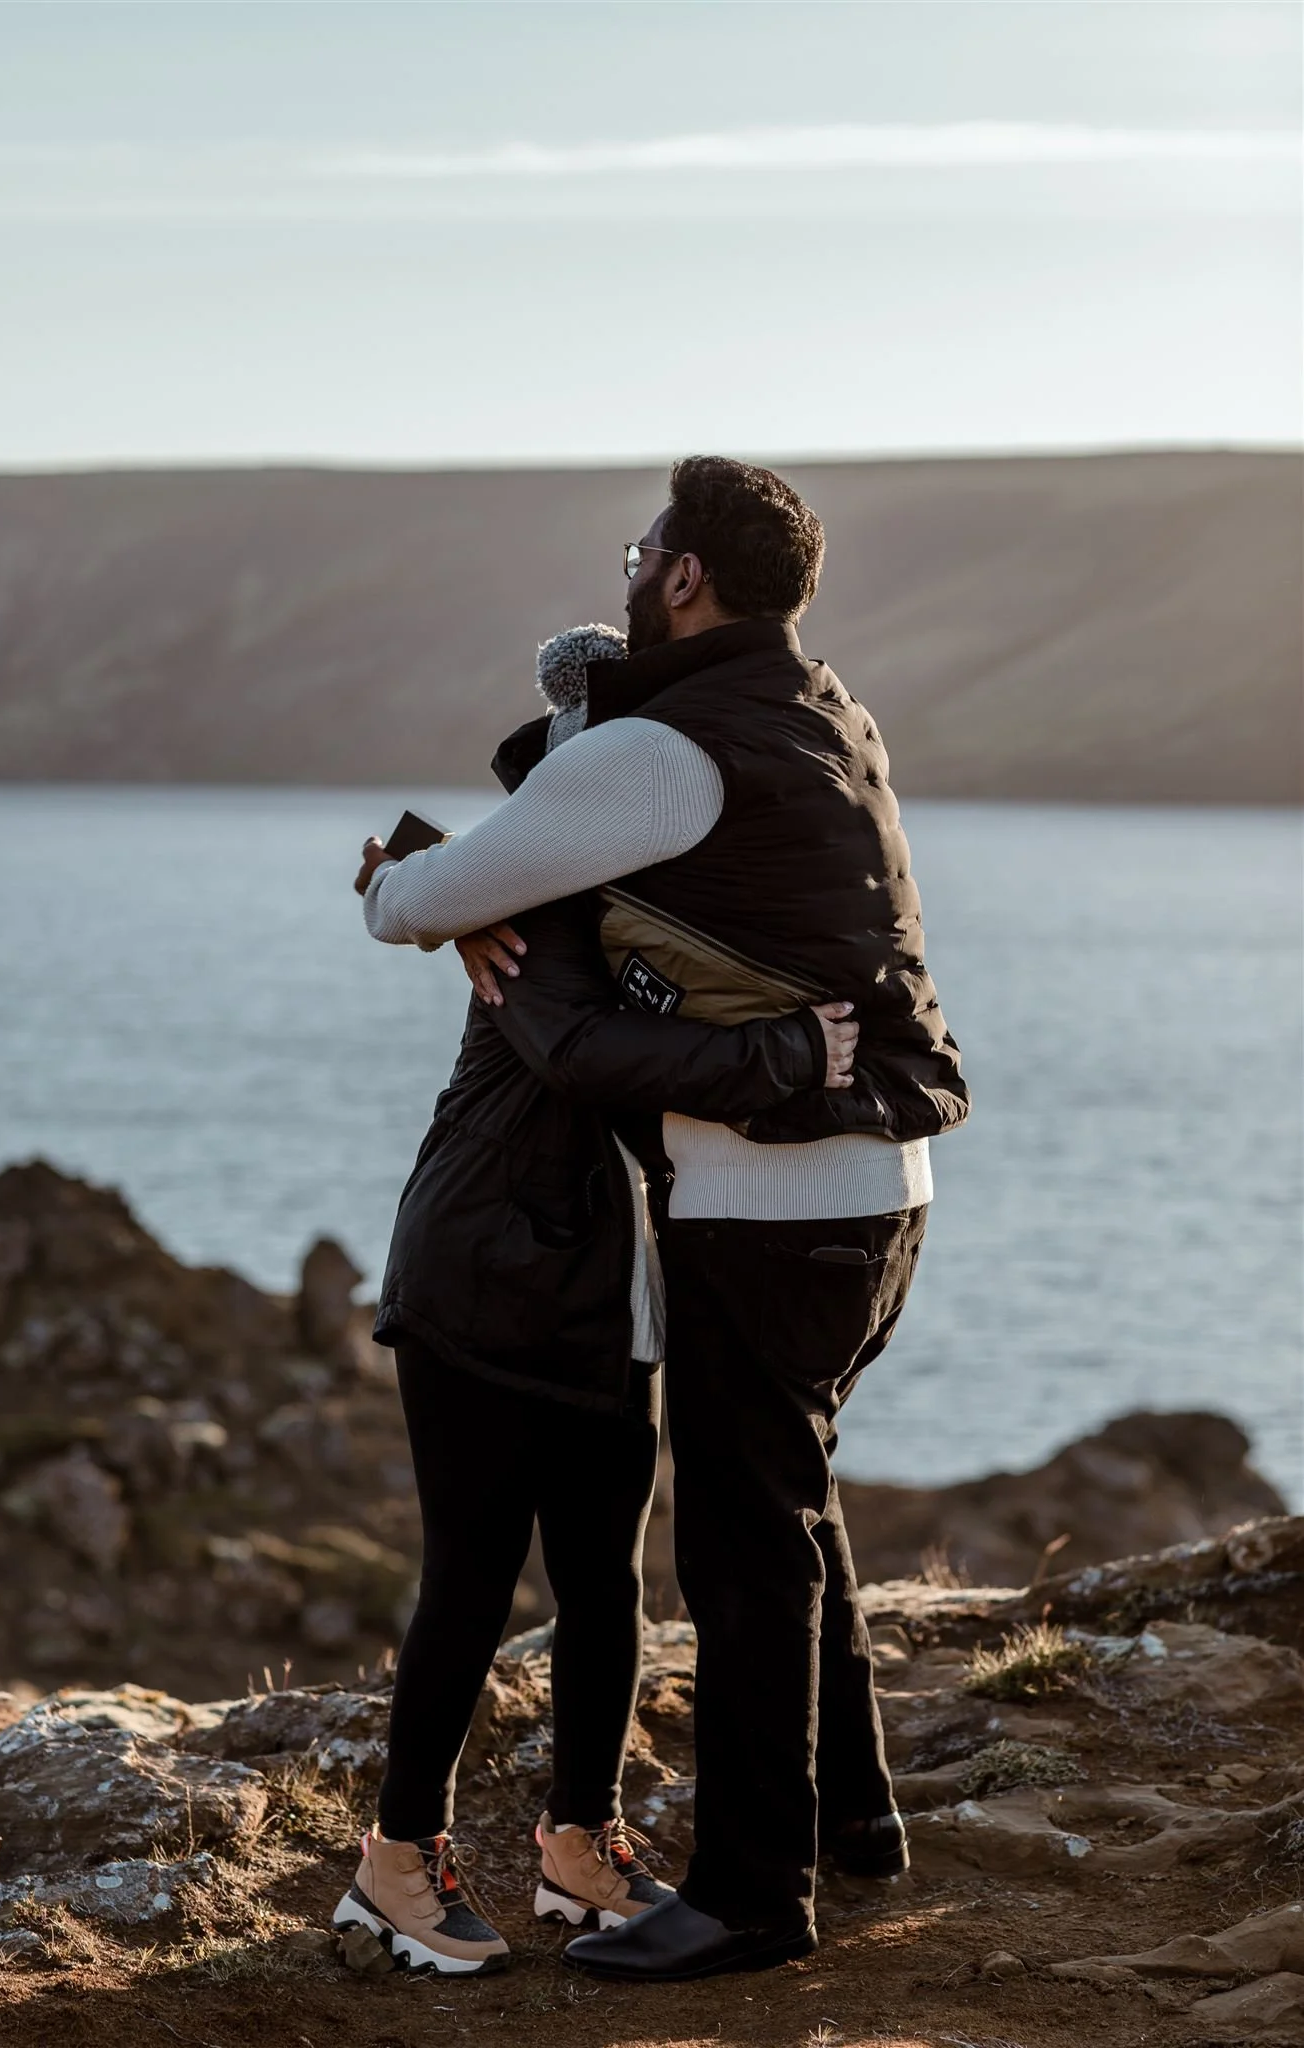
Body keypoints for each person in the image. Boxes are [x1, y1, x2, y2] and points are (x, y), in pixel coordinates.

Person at [356, 457, 969, 1981]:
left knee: (748, 1551)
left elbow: (420, 903)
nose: (633, 573)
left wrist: (422, 884)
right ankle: (854, 1819)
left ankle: (757, 1896)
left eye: (645, 552)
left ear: (684, 576)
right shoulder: (825, 711)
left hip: (770, 1203)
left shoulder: (664, 750)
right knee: (795, 1504)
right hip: (878, 1192)